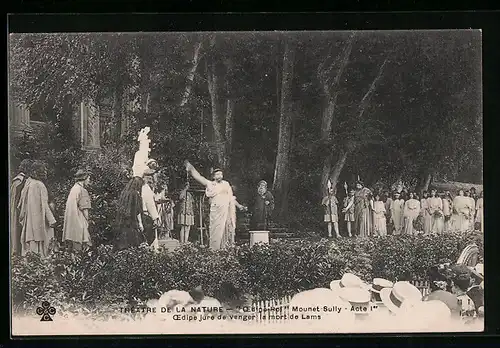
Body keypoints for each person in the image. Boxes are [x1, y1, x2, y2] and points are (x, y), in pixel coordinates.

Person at [185, 161, 233, 250]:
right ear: (214, 176)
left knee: (224, 229)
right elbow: (199, 178)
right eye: (217, 174)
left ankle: (224, 249)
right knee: (214, 230)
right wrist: (191, 168)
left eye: (221, 174)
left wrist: (236, 207)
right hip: (215, 212)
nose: (219, 176)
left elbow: (231, 198)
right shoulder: (210, 184)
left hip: (225, 211)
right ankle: (214, 249)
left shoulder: (226, 184)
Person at [17, 161, 57, 257]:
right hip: (40, 221)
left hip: (30, 219)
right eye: (44, 170)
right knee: (43, 243)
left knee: (31, 242)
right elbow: (44, 204)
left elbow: (20, 204)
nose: (45, 172)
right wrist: (51, 220)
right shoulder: (40, 185)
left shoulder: (28, 183)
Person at [62, 169, 92, 251]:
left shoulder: (73, 189)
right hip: (79, 220)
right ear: (84, 178)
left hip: (71, 222)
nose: (89, 181)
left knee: (72, 247)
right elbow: (85, 209)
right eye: (88, 179)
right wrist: (88, 220)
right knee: (81, 246)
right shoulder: (82, 191)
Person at [113, 176, 145, 250]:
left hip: (124, 221)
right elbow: (137, 210)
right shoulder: (135, 194)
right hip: (132, 222)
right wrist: (140, 223)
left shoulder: (124, 193)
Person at [10, 159, 32, 256]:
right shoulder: (19, 180)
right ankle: (16, 251)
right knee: (17, 229)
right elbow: (17, 197)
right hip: (17, 209)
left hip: (17, 208)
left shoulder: (20, 180)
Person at [142, 170, 161, 245]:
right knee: (150, 238)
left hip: (140, 215)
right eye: (148, 178)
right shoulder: (145, 188)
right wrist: (155, 218)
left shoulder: (143, 187)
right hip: (146, 215)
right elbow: (150, 204)